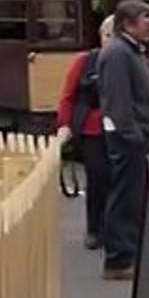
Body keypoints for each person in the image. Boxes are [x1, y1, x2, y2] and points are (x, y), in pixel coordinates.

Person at [94, 0, 149, 281]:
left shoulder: (133, 51)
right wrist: (133, 135)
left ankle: (129, 253)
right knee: (126, 196)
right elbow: (118, 100)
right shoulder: (117, 54)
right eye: (146, 18)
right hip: (130, 140)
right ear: (127, 24)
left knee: (135, 197)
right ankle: (119, 258)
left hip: (139, 135)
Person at [53, 16, 116, 252]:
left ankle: (116, 230)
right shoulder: (85, 61)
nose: (111, 41)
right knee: (98, 179)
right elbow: (68, 96)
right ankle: (94, 229)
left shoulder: (132, 61)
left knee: (120, 182)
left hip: (121, 129)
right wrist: (64, 124)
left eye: (116, 36)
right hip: (93, 130)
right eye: (108, 35)